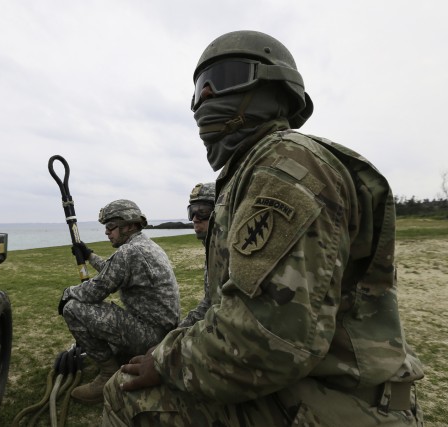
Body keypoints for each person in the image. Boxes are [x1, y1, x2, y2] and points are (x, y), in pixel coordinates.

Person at [102, 30, 424, 426]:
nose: (204, 98)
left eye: (222, 80)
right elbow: (223, 303)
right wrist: (168, 346)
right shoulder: (250, 173)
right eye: (198, 89)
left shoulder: (283, 168)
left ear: (274, 88)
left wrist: (166, 362)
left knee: (124, 397)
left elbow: (264, 344)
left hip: (338, 402)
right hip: (316, 382)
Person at [58, 199, 180, 404]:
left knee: (72, 308)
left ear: (130, 225)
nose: (107, 232)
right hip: (162, 333)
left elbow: (95, 291)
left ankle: (107, 374)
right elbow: (113, 269)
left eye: (110, 226)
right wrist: (89, 255)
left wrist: (66, 293)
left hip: (150, 335)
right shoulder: (144, 245)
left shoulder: (129, 252)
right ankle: (120, 357)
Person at [178, 182, 215, 328]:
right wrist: (179, 330)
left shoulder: (231, 252)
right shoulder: (213, 248)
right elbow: (209, 302)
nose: (195, 218)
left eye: (203, 211)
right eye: (192, 211)